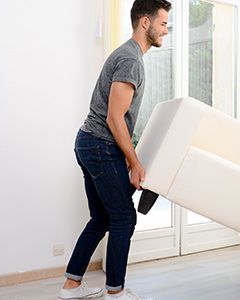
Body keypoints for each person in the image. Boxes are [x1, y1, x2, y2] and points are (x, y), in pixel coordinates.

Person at [58, 1, 171, 300]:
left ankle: (71, 286)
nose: (166, 30)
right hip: (99, 145)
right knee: (124, 218)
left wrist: (127, 157)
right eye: (163, 23)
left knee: (101, 219)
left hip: (88, 143)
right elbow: (113, 117)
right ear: (145, 22)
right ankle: (116, 293)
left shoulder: (128, 55)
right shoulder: (131, 59)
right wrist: (133, 162)